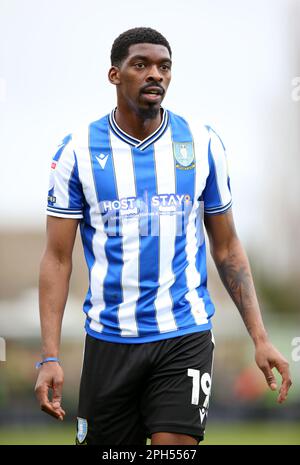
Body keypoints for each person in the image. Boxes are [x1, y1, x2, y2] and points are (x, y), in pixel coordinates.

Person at [34, 27, 292, 446]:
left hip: (184, 334)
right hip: (109, 340)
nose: (155, 74)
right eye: (141, 65)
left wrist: (260, 339)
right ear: (114, 75)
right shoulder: (76, 152)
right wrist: (49, 356)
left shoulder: (203, 144)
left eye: (164, 66)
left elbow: (226, 247)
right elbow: (57, 258)